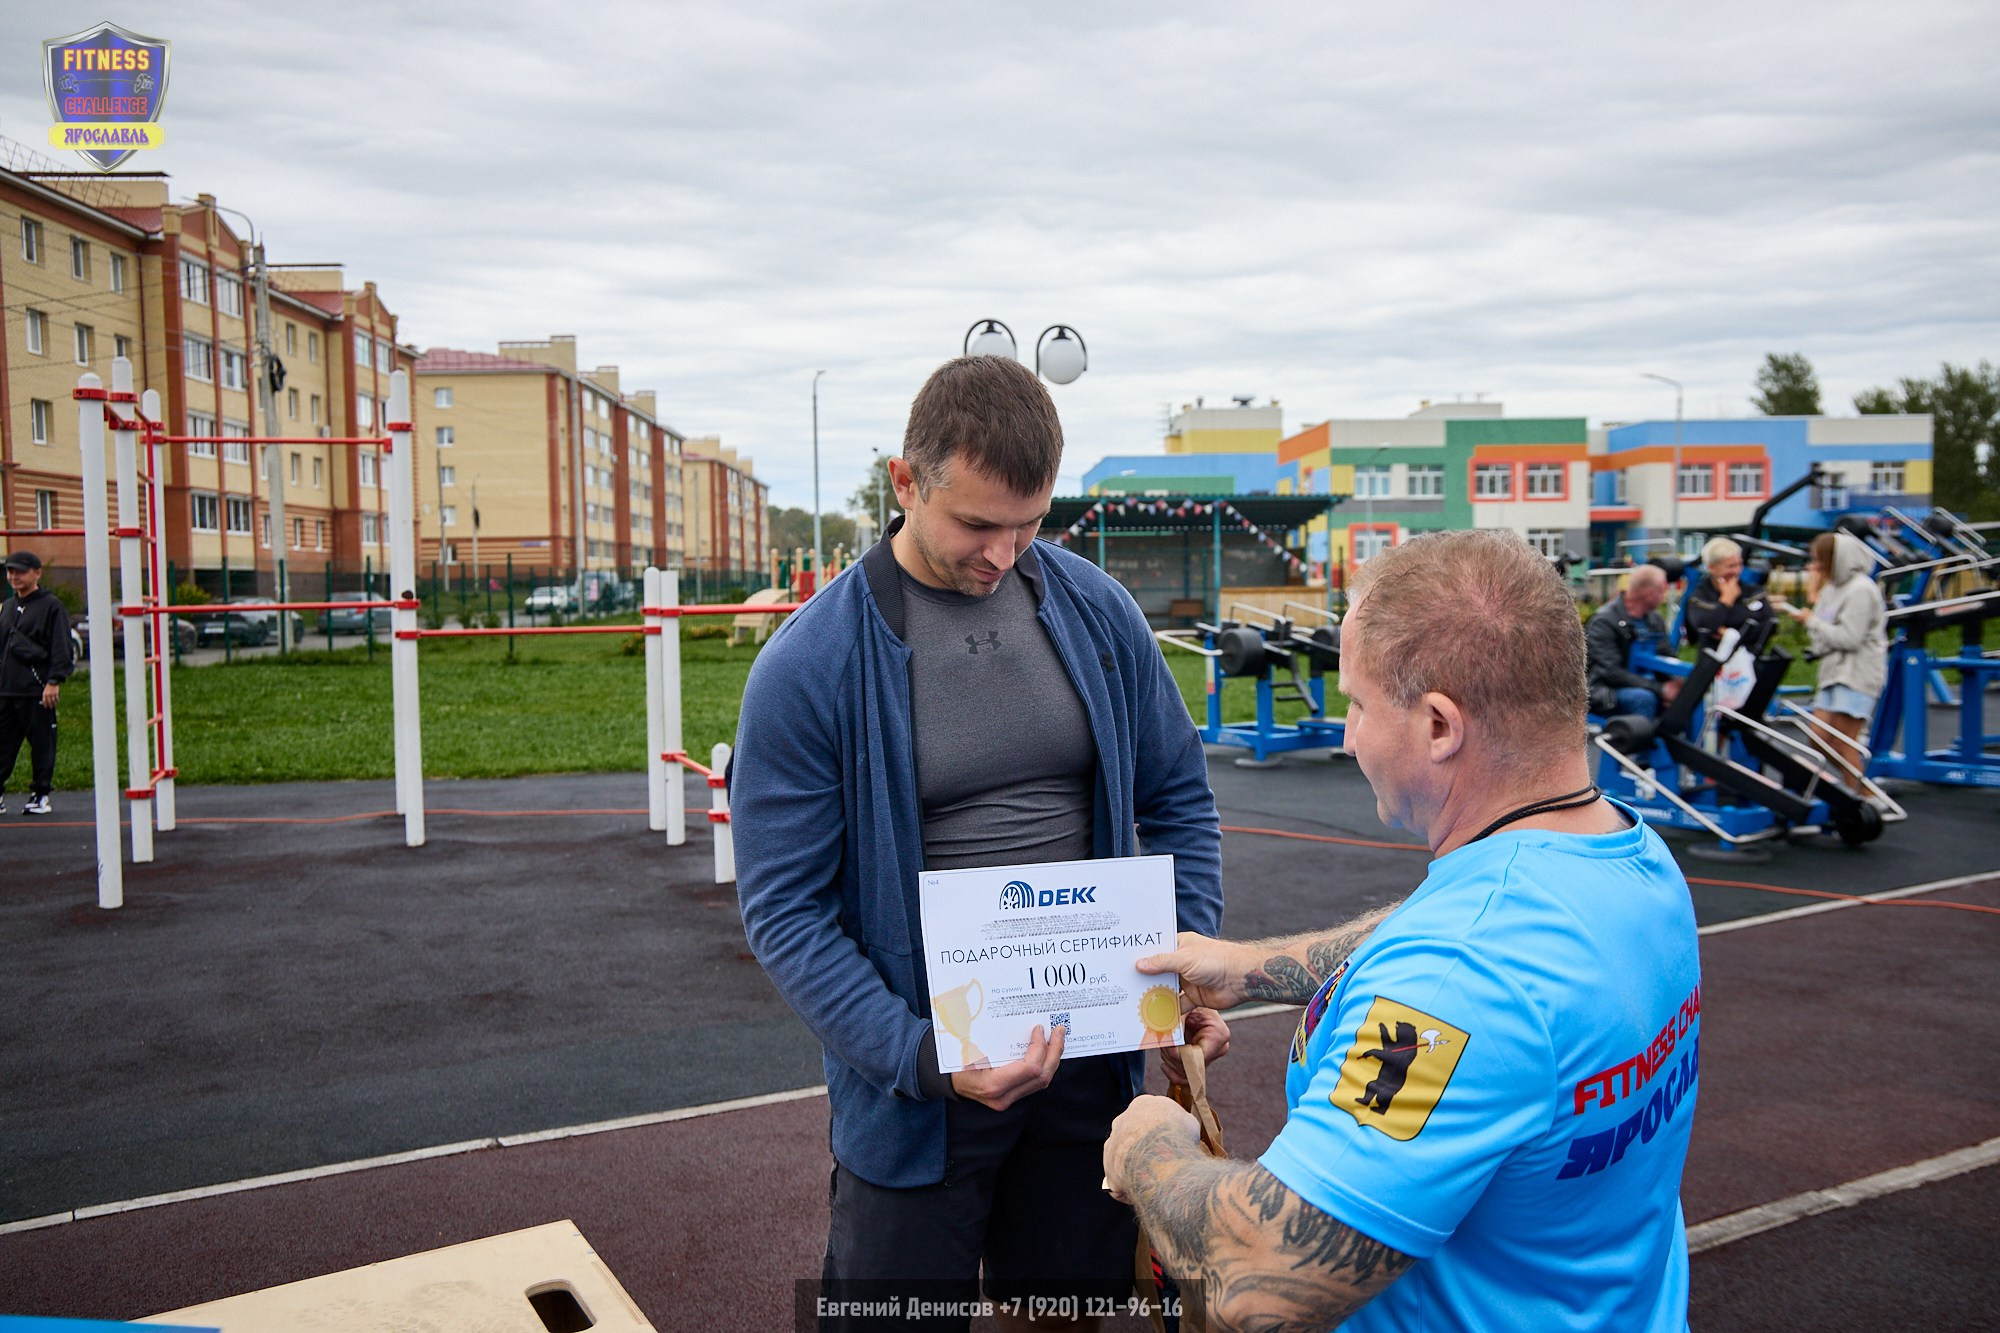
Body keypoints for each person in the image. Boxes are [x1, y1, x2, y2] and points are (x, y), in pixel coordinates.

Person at [732, 356, 1225, 1331]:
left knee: (1068, 1309)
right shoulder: (809, 664)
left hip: (1087, 1055)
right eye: (975, 523)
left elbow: (1179, 801)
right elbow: (785, 912)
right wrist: (918, 1056)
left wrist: (1187, 965)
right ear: (903, 481)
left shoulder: (1093, 611)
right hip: (919, 1089)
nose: (1002, 553)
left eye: (1028, 523)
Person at [1103, 529, 1701, 1332]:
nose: (1349, 733)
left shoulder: (1454, 984)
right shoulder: (1626, 855)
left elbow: (1257, 1277)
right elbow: (1437, 930)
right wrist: (1250, 968)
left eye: (1358, 703)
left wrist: (1153, 1148)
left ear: (1439, 725)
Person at [1772, 530, 1885, 778]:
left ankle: (1866, 798)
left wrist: (1811, 621)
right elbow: (1822, 633)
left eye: (1819, 560)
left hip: (1856, 674)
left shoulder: (1861, 590)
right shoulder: (1832, 588)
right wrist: (1813, 620)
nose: (1815, 566)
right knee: (1818, 741)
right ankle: (1854, 792)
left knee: (1844, 744)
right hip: (1832, 673)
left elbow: (1849, 638)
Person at [0, 550, 74, 816]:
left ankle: (40, 794)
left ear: (37, 573)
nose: (14, 576)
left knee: (42, 744)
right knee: (3, 743)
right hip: (6, 689)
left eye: (20, 571)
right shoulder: (8, 606)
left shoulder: (51, 605)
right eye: (10, 571)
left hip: (37, 690)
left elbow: (61, 647)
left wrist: (54, 680)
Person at [1585, 563, 1680, 719]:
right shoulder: (1603, 622)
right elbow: (1610, 672)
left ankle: (1674, 742)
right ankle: (1639, 742)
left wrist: (1676, 682)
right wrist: (1660, 689)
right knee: (1644, 698)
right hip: (1605, 689)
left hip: (1646, 683)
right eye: (1662, 592)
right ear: (1648, 594)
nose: (1664, 597)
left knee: (1685, 695)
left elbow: (1666, 653)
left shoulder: (1655, 620)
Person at [1682, 537, 1776, 652]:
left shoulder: (1754, 592)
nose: (1737, 571)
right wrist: (1726, 600)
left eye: (1739, 565)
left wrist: (1731, 635)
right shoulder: (1699, 596)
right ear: (1712, 568)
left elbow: (1770, 625)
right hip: (1713, 661)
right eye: (1730, 566)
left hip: (1751, 657)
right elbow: (1705, 628)